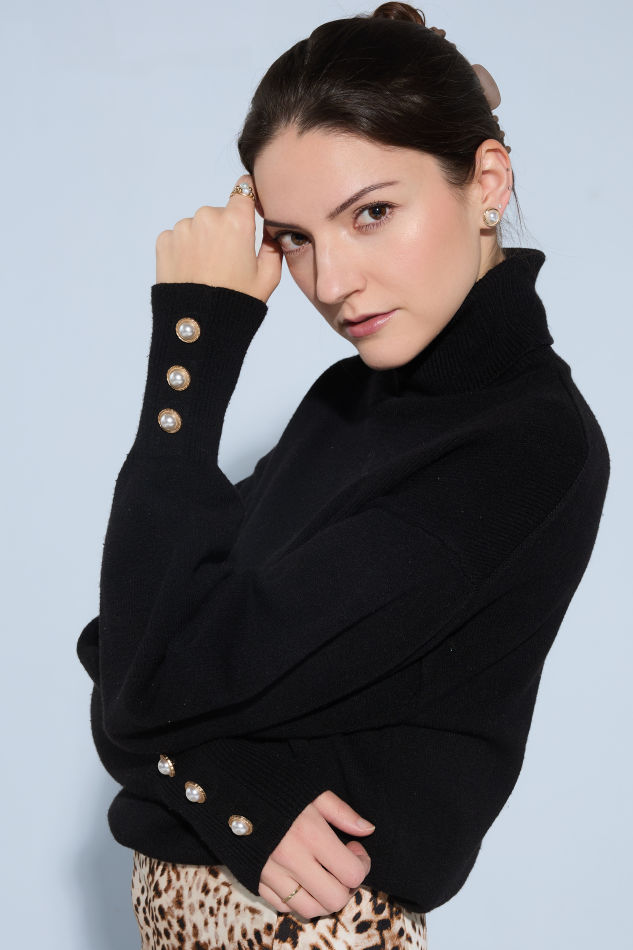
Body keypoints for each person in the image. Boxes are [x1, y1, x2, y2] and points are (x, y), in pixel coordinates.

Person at [76, 3, 611, 948]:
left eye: (371, 214)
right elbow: (129, 648)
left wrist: (192, 348)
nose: (330, 283)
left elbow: (141, 681)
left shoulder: (523, 445)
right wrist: (235, 795)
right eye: (293, 237)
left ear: (486, 182)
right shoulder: (345, 402)